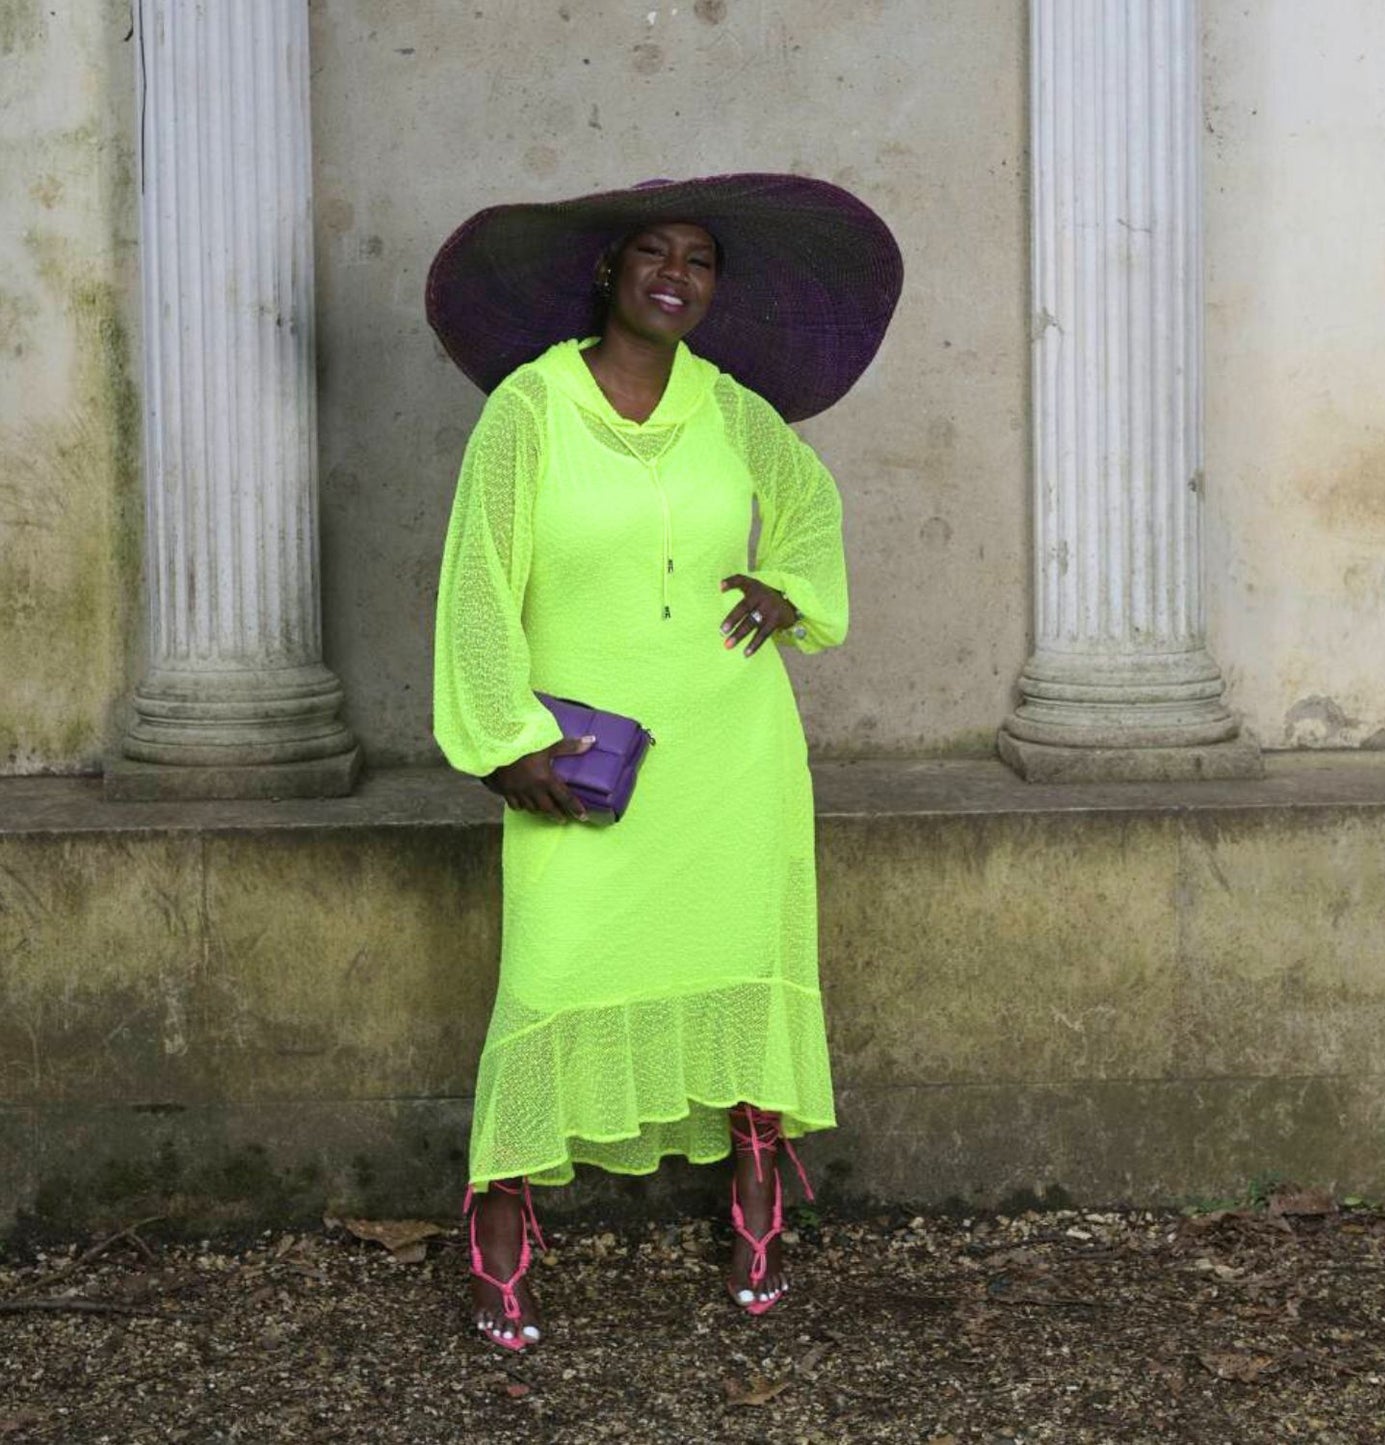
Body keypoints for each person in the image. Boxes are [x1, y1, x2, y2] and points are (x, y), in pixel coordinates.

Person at [426, 174, 902, 1350]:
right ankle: (501, 1210)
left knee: (739, 953)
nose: (674, 274)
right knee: (548, 973)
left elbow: (807, 504)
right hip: (583, 758)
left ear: (711, 287)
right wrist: (503, 742)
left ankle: (755, 1180)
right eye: (653, 251)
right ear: (610, 270)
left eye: (696, 258)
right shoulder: (527, 409)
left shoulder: (731, 409)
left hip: (731, 746)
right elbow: (476, 583)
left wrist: (786, 587)